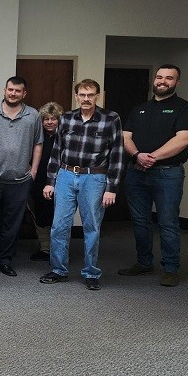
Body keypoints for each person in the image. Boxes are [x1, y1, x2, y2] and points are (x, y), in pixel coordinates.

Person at [118, 65, 188, 287]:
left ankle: (171, 268)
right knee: (140, 221)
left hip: (167, 174)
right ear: (154, 80)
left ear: (177, 83)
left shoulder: (186, 109)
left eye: (169, 78)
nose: (163, 81)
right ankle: (144, 263)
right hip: (137, 173)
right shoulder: (140, 109)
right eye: (159, 77)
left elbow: (183, 140)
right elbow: (125, 137)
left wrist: (151, 157)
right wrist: (136, 155)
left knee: (167, 221)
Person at [40, 79, 124, 291]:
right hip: (66, 176)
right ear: (76, 96)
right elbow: (57, 151)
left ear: (97, 96)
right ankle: (58, 270)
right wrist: (50, 181)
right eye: (82, 95)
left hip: (94, 178)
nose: (86, 99)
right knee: (59, 226)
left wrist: (111, 187)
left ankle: (91, 273)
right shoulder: (66, 118)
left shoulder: (111, 119)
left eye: (91, 95)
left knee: (92, 227)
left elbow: (117, 154)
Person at [0, 76, 43, 277]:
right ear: (5, 91)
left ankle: (4, 260)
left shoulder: (33, 115)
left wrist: (33, 170)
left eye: (17, 91)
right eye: (10, 90)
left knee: (12, 222)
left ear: (24, 93)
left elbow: (38, 143)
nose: (13, 93)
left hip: (20, 179)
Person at [27, 102, 63, 262]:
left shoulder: (65, 137)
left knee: (59, 216)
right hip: (38, 181)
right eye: (46, 119)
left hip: (60, 182)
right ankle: (45, 249)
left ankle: (59, 251)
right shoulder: (37, 137)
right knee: (40, 215)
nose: (49, 122)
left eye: (53, 119)